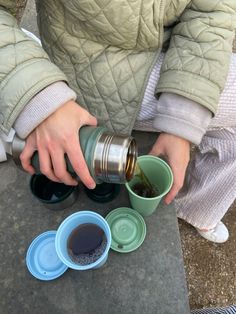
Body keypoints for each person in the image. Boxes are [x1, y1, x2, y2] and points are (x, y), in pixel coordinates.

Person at [0, 1, 236, 243]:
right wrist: (40, 99)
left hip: (175, 50)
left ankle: (192, 208)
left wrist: (184, 116)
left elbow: (212, 10)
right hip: (89, 63)